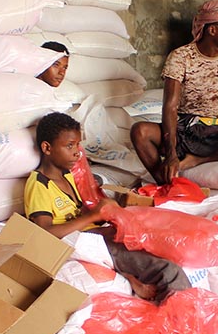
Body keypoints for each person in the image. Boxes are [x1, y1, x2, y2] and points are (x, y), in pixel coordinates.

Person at [25, 112, 191, 302]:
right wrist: (93, 216)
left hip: (97, 235)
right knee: (168, 270)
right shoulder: (39, 184)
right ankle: (182, 319)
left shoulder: (66, 176)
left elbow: (82, 212)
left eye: (78, 145)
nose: (77, 152)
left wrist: (109, 212)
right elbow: (44, 232)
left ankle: (129, 278)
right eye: (69, 145)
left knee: (160, 243)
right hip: (84, 241)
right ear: (47, 147)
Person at [130, 0, 218, 184]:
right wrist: (171, 153)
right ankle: (165, 184)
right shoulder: (180, 57)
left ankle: (197, 160)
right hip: (187, 130)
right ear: (212, 30)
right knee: (139, 131)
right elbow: (170, 107)